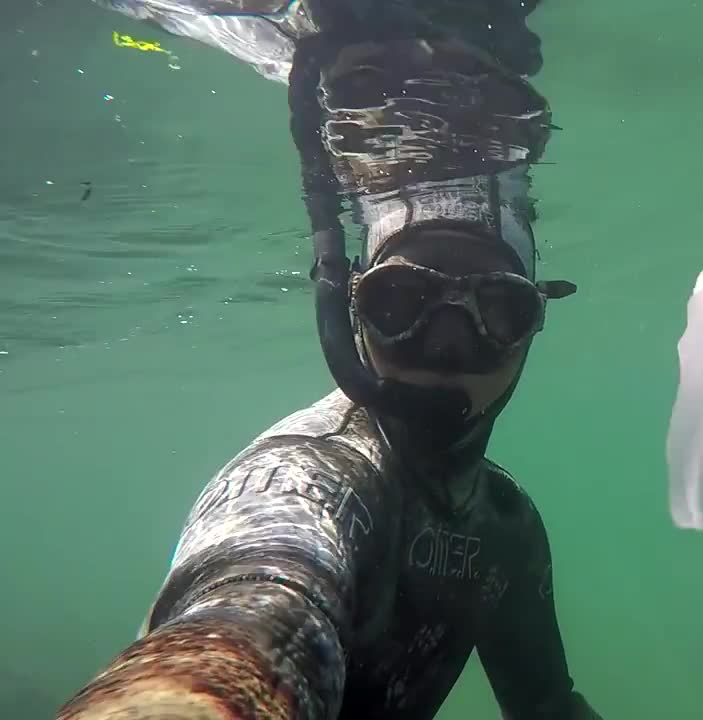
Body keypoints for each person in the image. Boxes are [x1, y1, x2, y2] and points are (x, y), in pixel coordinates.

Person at [61, 1, 600, 719]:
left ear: (534, 322)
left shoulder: (506, 527)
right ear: (351, 313)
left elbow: (548, 705)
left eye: (496, 311)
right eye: (402, 304)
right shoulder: (306, 481)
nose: (445, 348)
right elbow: (251, 604)